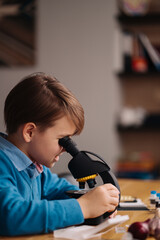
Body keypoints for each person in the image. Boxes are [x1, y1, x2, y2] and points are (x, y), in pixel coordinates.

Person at [0, 73, 119, 236]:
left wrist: (96, 202)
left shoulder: (34, 166)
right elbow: (11, 216)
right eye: (62, 140)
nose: (65, 148)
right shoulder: (3, 164)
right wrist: (83, 208)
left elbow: (59, 189)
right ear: (29, 132)